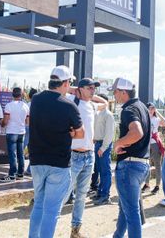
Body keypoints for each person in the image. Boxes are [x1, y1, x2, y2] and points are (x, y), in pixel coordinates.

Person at [28, 65, 84, 238]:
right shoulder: (69, 105)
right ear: (65, 83)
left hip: (37, 160)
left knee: (38, 204)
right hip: (59, 162)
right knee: (51, 211)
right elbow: (81, 133)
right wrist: (71, 132)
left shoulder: (36, 99)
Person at [66, 78, 107, 238]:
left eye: (94, 88)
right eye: (89, 88)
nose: (93, 90)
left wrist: (87, 93)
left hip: (89, 156)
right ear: (81, 89)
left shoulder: (91, 105)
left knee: (81, 195)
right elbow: (64, 90)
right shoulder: (72, 102)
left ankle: (75, 230)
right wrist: (75, 90)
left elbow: (105, 102)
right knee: (63, 193)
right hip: (73, 155)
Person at [110, 77, 150, 238]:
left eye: (115, 92)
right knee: (126, 207)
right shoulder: (142, 107)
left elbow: (137, 132)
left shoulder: (128, 109)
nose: (114, 95)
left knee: (131, 212)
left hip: (130, 166)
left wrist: (117, 143)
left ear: (123, 92)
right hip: (142, 165)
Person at [0, 87, 30, 182]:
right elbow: (27, 121)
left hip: (12, 131)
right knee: (20, 153)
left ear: (12, 95)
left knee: (12, 154)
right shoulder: (25, 106)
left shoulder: (9, 106)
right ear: (21, 95)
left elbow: (6, 120)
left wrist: (2, 123)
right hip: (21, 131)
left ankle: (12, 174)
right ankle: (20, 173)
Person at [91, 93, 115, 205]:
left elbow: (109, 134)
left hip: (103, 145)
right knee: (100, 170)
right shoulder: (98, 113)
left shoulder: (108, 115)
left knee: (105, 171)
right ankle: (100, 193)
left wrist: (103, 147)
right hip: (98, 144)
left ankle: (105, 195)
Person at [143, 103, 165, 194]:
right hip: (146, 144)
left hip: (155, 143)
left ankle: (157, 185)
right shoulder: (144, 119)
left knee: (157, 164)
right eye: (149, 108)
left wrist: (157, 112)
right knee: (146, 164)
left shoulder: (156, 119)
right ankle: (147, 184)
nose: (151, 110)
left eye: (153, 108)